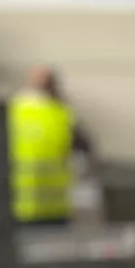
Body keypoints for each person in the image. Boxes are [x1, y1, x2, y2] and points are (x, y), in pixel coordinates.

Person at [8, 66, 90, 225]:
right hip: (54, 208)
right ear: (54, 86)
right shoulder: (62, 114)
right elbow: (86, 150)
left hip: (18, 206)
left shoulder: (12, 112)